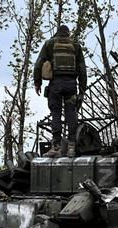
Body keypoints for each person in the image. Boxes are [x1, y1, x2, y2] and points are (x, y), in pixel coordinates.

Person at [34, 25, 87, 158]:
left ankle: (56, 147)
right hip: (71, 84)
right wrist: (82, 89)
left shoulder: (50, 44)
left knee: (55, 112)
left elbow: (38, 63)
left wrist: (37, 83)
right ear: (68, 34)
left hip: (55, 85)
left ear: (57, 33)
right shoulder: (75, 45)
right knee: (71, 113)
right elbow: (82, 68)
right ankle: (71, 147)